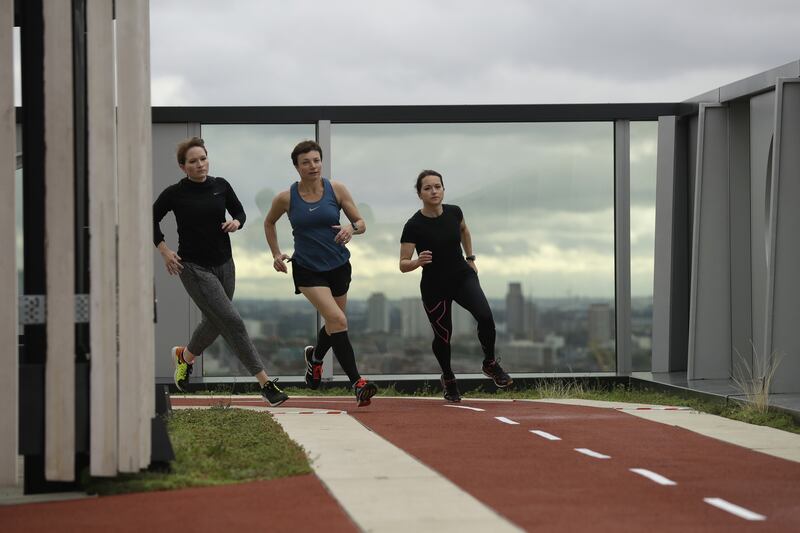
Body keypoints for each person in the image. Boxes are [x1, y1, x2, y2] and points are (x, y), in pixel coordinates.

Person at [153, 136, 288, 406]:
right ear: (183, 166)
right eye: (193, 161)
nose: (200, 164)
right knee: (233, 321)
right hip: (193, 267)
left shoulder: (221, 186)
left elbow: (239, 211)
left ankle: (185, 356)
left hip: (226, 264)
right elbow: (150, 218)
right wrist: (165, 251)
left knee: (215, 320)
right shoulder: (175, 193)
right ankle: (265, 384)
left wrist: (236, 222)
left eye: (203, 159)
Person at [264, 140, 378, 407]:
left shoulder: (336, 189)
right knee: (338, 318)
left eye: (316, 160)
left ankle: (315, 358)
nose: (312, 166)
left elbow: (361, 222)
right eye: (306, 162)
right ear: (296, 167)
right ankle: (358, 383)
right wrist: (275, 254)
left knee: (334, 323)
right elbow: (269, 222)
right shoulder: (286, 197)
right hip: (306, 268)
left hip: (338, 265)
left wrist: (352, 228)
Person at [399, 170, 512, 402]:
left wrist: (470, 258)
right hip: (434, 285)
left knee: (486, 317)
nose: (434, 191)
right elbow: (402, 264)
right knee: (443, 336)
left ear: (443, 189)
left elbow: (464, 230)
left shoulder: (454, 212)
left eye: (437, 186)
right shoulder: (413, 225)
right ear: (419, 193)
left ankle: (490, 363)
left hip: (462, 276)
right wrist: (417, 262)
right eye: (428, 188)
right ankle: (449, 378)